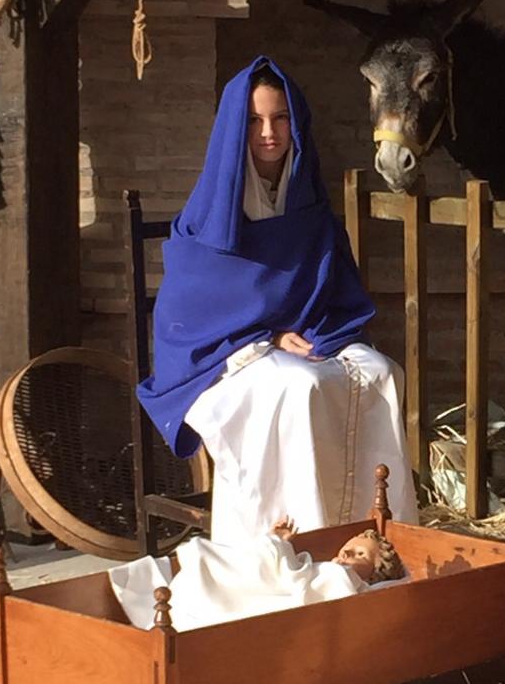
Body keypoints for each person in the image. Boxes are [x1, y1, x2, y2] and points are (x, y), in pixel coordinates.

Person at [137, 56, 418, 546]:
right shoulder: (207, 219)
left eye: (280, 118)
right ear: (233, 127)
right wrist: (266, 336)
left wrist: (313, 331)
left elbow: (334, 290)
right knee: (300, 388)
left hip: (305, 337)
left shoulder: (307, 204)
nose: (269, 132)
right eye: (255, 120)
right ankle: (296, 545)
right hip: (225, 357)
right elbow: (188, 312)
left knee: (382, 373)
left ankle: (378, 540)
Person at [108, 516, 406, 631]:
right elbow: (288, 574)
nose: (347, 554)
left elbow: (298, 583)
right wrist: (277, 547)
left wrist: (276, 551)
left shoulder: (344, 581)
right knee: (230, 565)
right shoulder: (327, 569)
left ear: (373, 574)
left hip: (279, 604)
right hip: (265, 591)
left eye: (360, 555)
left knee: (221, 569)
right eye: (348, 547)